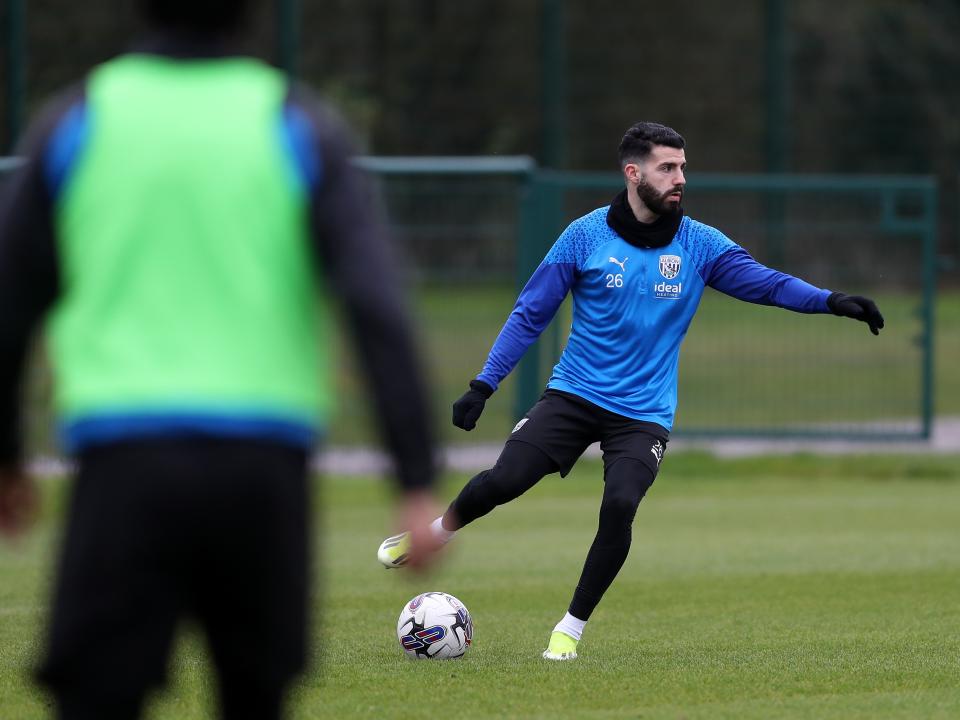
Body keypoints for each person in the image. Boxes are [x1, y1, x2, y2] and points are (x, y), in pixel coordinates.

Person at [0, 0, 442, 717]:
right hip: (261, 468)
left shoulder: (78, 120)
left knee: (94, 695)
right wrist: (414, 476)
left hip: (124, 461)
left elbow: (10, 302)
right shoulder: (297, 124)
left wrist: (7, 454)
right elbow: (375, 304)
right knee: (255, 696)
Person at [377, 121, 884, 661]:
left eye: (682, 167)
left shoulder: (700, 244)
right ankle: (437, 531)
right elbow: (531, 312)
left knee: (620, 504)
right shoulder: (584, 235)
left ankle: (569, 630)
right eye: (667, 167)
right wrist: (484, 383)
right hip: (574, 394)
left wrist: (832, 301)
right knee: (506, 480)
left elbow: (770, 284)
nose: (679, 178)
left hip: (643, 413)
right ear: (633, 173)